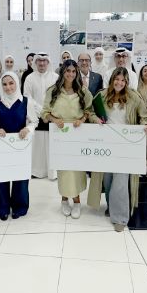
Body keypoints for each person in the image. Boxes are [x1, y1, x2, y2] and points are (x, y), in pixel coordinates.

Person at [92, 68, 147, 231]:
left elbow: (144, 116)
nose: (119, 83)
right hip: (107, 145)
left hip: (125, 145)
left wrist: (145, 125)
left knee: (121, 181)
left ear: (127, 82)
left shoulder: (134, 97)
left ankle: (120, 218)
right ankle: (112, 207)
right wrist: (95, 119)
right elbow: (90, 112)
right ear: (111, 80)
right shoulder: (102, 95)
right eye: (117, 79)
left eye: (123, 80)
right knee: (108, 179)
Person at [41, 59, 98, 219]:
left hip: (77, 133)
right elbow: (44, 112)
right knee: (64, 170)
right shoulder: (53, 91)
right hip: (60, 135)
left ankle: (77, 201)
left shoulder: (82, 91)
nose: (71, 74)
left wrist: (82, 119)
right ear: (63, 72)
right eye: (68, 71)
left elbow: (89, 109)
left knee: (77, 169)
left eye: (73, 71)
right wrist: (54, 119)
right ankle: (64, 200)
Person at [0, 72, 36, 221]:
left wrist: (27, 129)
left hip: (19, 146)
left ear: (16, 83)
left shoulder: (26, 102)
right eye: (4, 84)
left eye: (11, 83)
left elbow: (34, 121)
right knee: (0, 177)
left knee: (20, 177)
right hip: (0, 145)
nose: (8, 87)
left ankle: (19, 207)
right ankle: (2, 209)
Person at [23, 52, 59, 180]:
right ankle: (37, 171)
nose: (42, 63)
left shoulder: (56, 77)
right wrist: (42, 112)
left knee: (51, 145)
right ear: (35, 62)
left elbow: (58, 96)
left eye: (44, 61)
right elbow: (27, 97)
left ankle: (52, 172)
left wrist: (48, 113)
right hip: (35, 116)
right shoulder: (29, 78)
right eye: (39, 60)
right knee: (37, 146)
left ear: (48, 62)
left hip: (53, 115)